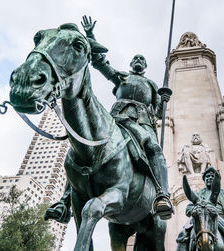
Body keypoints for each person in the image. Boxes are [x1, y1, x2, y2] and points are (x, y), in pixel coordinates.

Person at [81, 15, 173, 219]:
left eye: (142, 59)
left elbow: (158, 112)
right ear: (131, 63)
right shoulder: (121, 76)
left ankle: (162, 195)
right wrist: (90, 34)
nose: (139, 61)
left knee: (154, 149)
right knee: (85, 147)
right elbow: (99, 63)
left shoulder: (151, 85)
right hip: (116, 119)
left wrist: (164, 99)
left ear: (146, 66)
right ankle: (65, 199)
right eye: (136, 58)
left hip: (141, 123)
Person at [177, 166, 224, 250]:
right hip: (201, 218)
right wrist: (196, 210)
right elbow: (188, 208)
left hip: (223, 220)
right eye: (207, 176)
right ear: (204, 179)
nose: (209, 178)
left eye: (212, 176)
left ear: (217, 180)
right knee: (182, 235)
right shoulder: (199, 193)